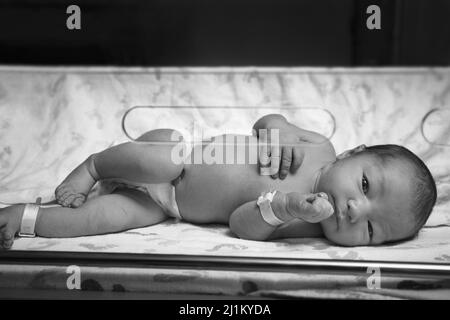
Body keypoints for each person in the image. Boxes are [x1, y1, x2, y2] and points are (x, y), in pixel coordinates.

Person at [0, 114, 436, 249]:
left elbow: (239, 224)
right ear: (351, 154)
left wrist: (279, 209)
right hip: (178, 157)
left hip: (169, 205)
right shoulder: (319, 146)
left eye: (372, 229)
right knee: (165, 162)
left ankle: (24, 218)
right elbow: (265, 119)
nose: (355, 211)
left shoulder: (305, 225)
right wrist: (277, 130)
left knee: (105, 220)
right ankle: (96, 166)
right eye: (365, 186)